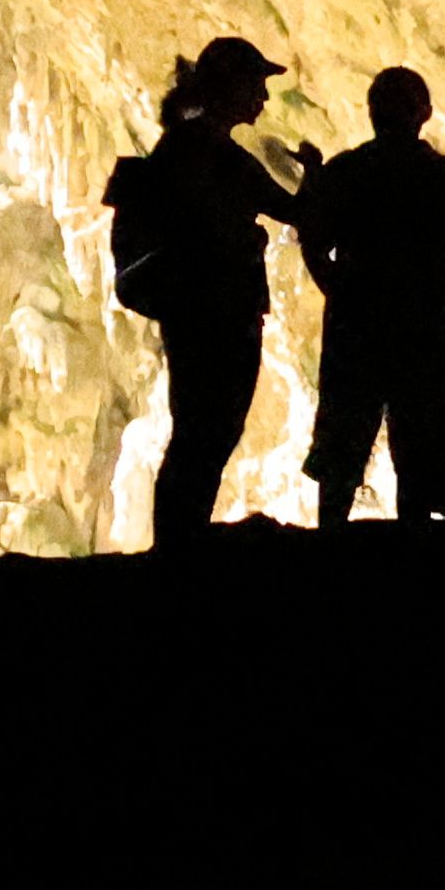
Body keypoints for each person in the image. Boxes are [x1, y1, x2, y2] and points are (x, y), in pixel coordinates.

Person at [291, 64, 445, 527]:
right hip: (423, 322)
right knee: (417, 434)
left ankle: (329, 537)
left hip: (355, 320)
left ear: (371, 113)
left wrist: (334, 285)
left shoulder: (349, 170)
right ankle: (414, 536)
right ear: (424, 113)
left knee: (345, 431)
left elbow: (312, 238)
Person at [100, 36, 299, 540]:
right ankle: (179, 545)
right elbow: (292, 211)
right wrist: (315, 177)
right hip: (220, 311)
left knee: (198, 431)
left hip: (192, 311)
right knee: (207, 432)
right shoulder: (213, 154)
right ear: (229, 87)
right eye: (256, 84)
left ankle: (178, 542)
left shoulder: (186, 148)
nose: (264, 97)